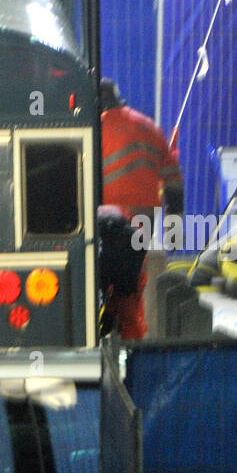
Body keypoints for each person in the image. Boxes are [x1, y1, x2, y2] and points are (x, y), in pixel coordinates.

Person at [99, 78, 185, 339]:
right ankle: (131, 335)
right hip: (145, 217)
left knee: (103, 278)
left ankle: (111, 329)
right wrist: (174, 226)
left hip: (107, 217)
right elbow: (173, 179)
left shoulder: (97, 127)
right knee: (132, 279)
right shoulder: (149, 126)